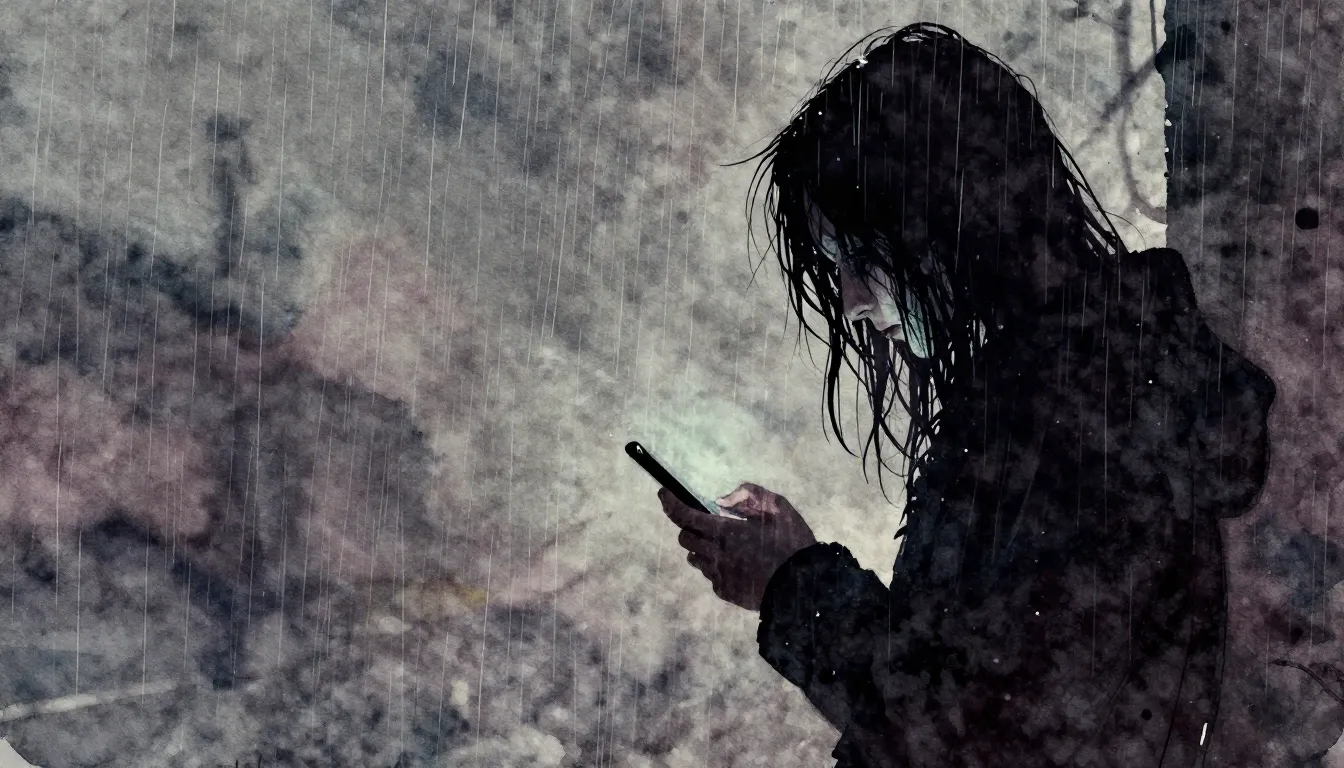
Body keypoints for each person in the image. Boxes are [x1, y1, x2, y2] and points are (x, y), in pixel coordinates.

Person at [657, 23, 1276, 767]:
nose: (851, 301)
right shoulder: (1075, 391)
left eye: (862, 256)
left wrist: (792, 584)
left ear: (957, 226)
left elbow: (971, 729)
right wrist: (793, 571)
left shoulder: (1078, 420)